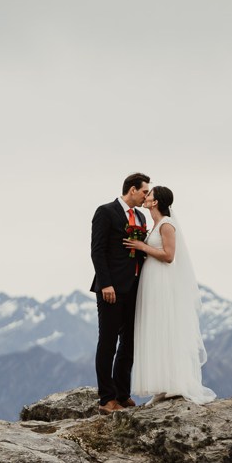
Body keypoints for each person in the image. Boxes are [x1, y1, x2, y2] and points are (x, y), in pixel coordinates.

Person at [123, 185, 214, 404]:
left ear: (155, 202)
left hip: (163, 282)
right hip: (151, 282)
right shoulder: (154, 225)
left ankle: (175, 382)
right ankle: (161, 385)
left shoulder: (166, 224)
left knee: (166, 328)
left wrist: (142, 247)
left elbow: (169, 255)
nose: (146, 197)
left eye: (150, 195)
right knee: (155, 330)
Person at [90, 172, 150, 415]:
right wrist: (106, 284)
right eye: (145, 191)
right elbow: (97, 250)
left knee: (129, 342)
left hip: (135, 287)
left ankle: (122, 394)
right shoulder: (106, 212)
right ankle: (106, 398)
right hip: (111, 288)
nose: (146, 196)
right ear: (132, 189)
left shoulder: (141, 217)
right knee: (108, 341)